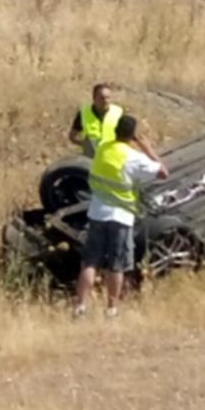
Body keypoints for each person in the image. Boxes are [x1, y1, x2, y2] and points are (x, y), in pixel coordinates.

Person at [74, 114, 169, 319]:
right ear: (133, 135)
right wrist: (147, 148)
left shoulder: (103, 150)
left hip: (97, 212)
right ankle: (111, 309)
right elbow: (163, 173)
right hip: (121, 216)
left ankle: (80, 307)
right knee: (116, 265)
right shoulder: (133, 157)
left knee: (90, 262)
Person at [69, 83, 123, 157]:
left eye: (108, 98)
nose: (105, 101)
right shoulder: (84, 113)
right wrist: (86, 146)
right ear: (94, 98)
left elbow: (127, 136)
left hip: (112, 157)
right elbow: (72, 136)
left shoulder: (117, 112)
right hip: (91, 158)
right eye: (102, 98)